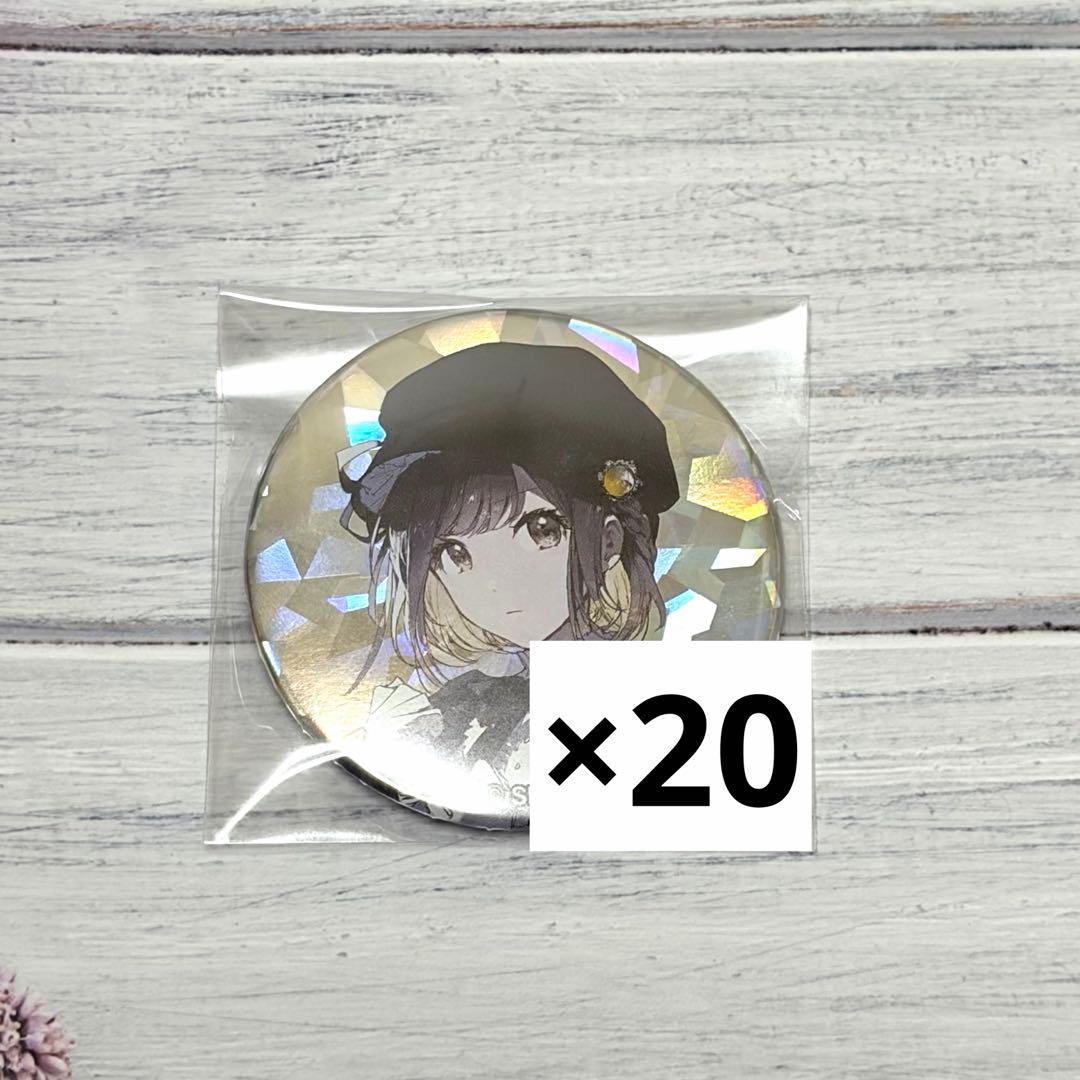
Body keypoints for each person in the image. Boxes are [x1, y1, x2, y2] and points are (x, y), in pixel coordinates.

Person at [336, 340, 678, 826]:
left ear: (608, 541)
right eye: (454, 553)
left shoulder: (657, 703)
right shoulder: (453, 706)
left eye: (541, 530)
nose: (494, 582)